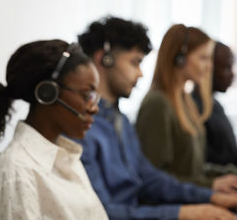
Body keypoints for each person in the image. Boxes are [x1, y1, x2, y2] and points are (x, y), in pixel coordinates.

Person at [76, 16, 237, 220]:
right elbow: (101, 213)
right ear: (104, 59)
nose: (141, 73)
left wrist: (211, 196)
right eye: (135, 62)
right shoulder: (81, 127)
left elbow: (150, 179)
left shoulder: (121, 121)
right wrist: (184, 212)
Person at [0, 40, 109, 219]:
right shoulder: (17, 172)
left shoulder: (66, 159)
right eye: (87, 94)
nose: (94, 108)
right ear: (48, 93)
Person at [136, 24, 237, 192]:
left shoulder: (185, 101)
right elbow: (154, 179)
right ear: (179, 59)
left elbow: (194, 170)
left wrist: (227, 175)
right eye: (203, 58)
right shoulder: (158, 104)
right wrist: (211, 185)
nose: (209, 66)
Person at [193, 41, 237, 166]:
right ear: (209, 66)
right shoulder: (195, 108)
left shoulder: (215, 105)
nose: (233, 74)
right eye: (227, 67)